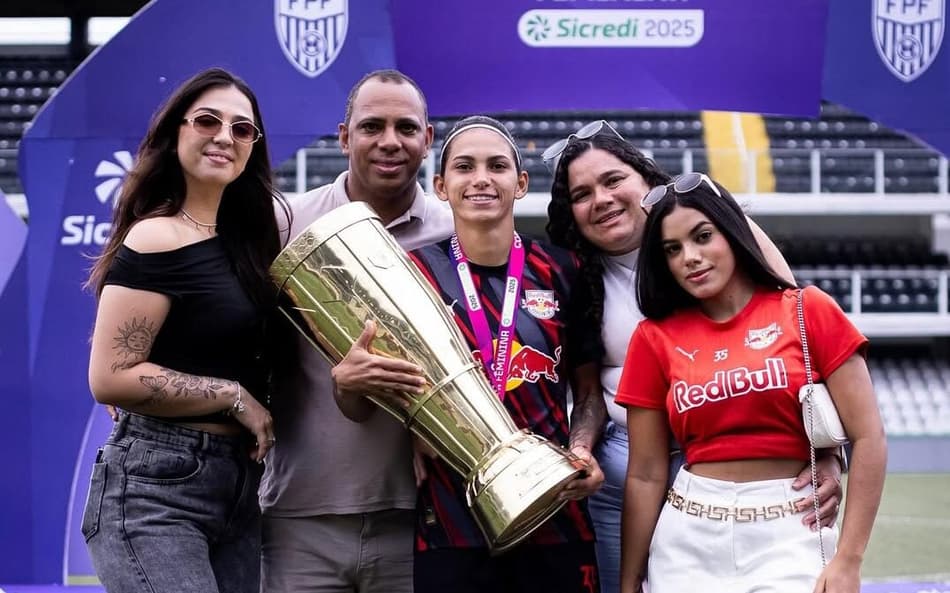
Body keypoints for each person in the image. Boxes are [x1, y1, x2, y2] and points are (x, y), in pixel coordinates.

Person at [544, 123, 847, 593]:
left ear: (646, 179)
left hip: (735, 456)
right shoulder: (572, 274)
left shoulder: (719, 235)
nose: (600, 199)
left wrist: (825, 453)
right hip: (628, 463)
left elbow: (798, 346)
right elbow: (587, 392)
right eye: (581, 194)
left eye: (612, 180)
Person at [615, 172, 887, 593]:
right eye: (673, 248)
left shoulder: (807, 309)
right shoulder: (654, 338)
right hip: (687, 534)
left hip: (792, 527)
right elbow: (646, 474)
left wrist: (849, 559)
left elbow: (869, 437)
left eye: (702, 236)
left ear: (733, 233)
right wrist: (630, 580)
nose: (689, 256)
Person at [82, 67, 289, 593]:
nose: (224, 136)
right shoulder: (155, 235)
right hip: (157, 488)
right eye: (207, 121)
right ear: (176, 132)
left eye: (242, 129)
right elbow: (111, 376)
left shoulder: (249, 246)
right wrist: (231, 396)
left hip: (240, 488)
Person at [259, 69, 454, 593]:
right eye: (372, 127)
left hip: (421, 516)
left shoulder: (454, 231)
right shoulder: (283, 224)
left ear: (427, 139)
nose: (390, 142)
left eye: (406, 128)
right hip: (302, 511)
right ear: (344, 136)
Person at [401, 115, 606, 593]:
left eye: (496, 166)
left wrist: (581, 449)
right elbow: (397, 384)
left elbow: (589, 393)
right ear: (440, 185)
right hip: (453, 516)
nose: (481, 179)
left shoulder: (564, 269)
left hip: (555, 509)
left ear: (520, 183)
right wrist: (410, 427)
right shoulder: (413, 273)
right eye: (464, 167)